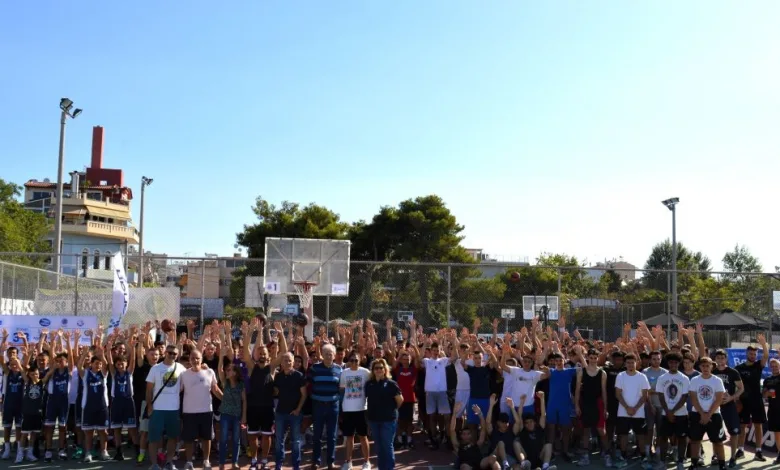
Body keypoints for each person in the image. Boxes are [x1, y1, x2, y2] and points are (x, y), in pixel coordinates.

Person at [180, 349, 223, 470]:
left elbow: (215, 389)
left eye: (197, 358)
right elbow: (178, 390)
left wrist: (226, 400)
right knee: (189, 439)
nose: (195, 360)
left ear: (201, 359)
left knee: (207, 437)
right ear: (189, 360)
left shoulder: (209, 372)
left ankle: (206, 461)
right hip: (189, 412)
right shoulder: (184, 374)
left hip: (206, 411)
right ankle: (189, 462)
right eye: (192, 358)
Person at [146, 344, 187, 470]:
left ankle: (169, 462)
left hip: (173, 409)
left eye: (175, 354)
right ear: (165, 353)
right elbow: (149, 390)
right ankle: (154, 464)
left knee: (173, 437)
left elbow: (188, 380)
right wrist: (149, 406)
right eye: (170, 353)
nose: (172, 355)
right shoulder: (155, 368)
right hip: (157, 408)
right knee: (154, 438)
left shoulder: (180, 368)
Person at [308, 343, 343, 469]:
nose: (328, 356)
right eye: (326, 354)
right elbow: (309, 384)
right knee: (316, 435)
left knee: (332, 436)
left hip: (333, 406)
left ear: (334, 355)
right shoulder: (314, 368)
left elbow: (341, 388)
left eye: (331, 354)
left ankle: (330, 461)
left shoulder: (339, 369)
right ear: (322, 355)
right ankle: (316, 461)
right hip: (318, 405)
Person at [364, 358, 403, 470]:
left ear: (385, 369)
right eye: (376, 368)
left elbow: (400, 400)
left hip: (388, 420)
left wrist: (391, 410)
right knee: (378, 447)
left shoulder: (391, 384)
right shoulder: (369, 384)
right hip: (374, 420)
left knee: (387, 446)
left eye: (381, 368)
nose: (378, 370)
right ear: (373, 370)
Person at [689, 357, 727, 470]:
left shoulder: (717, 380)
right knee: (695, 441)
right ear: (700, 367)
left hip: (714, 415)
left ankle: (722, 465)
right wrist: (702, 414)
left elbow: (719, 399)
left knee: (718, 442)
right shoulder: (695, 380)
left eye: (708, 365)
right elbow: (693, 399)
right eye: (703, 366)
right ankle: (694, 464)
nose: (705, 368)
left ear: (712, 366)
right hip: (697, 415)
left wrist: (708, 414)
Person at [574, 348, 610, 467]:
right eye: (591, 358)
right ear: (588, 357)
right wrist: (577, 405)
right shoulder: (581, 372)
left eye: (595, 358)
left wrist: (605, 408)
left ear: (598, 358)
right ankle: (585, 456)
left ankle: (606, 454)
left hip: (598, 404)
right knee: (586, 430)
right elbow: (577, 390)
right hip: (585, 404)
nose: (593, 360)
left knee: (601, 430)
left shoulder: (602, 373)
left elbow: (604, 391)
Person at [42, 331, 74, 462]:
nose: (60, 363)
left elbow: (71, 356)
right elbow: (51, 355)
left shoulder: (69, 371)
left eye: (62, 361)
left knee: (62, 427)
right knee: (49, 427)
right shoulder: (52, 371)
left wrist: (66, 340)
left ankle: (62, 450)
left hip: (63, 401)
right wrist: (52, 339)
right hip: (52, 400)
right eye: (58, 361)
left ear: (66, 362)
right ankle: (48, 450)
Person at [736, 334, 769, 461]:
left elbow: (765, 356)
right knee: (743, 426)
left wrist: (763, 344)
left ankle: (758, 451)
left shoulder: (758, 366)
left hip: (756, 400)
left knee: (758, 425)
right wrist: (737, 399)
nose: (753, 356)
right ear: (747, 354)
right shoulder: (739, 368)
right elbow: (735, 386)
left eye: (754, 354)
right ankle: (740, 449)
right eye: (751, 354)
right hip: (743, 401)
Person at [614, 353, 650, 469]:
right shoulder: (620, 376)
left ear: (636, 363)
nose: (630, 364)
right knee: (623, 435)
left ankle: (644, 457)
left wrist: (635, 408)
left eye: (632, 362)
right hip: (623, 412)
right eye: (628, 362)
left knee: (640, 436)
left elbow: (645, 396)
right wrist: (627, 408)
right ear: (625, 364)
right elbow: (618, 394)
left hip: (638, 412)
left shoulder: (642, 377)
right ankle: (623, 457)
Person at [656, 352, 690, 470]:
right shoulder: (662, 378)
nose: (673, 364)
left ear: (678, 363)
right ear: (668, 363)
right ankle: (662, 462)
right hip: (666, 414)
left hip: (681, 414)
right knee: (663, 438)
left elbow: (684, 396)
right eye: (671, 362)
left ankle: (680, 462)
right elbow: (660, 395)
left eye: (675, 362)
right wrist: (667, 411)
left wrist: (673, 411)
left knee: (681, 438)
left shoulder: (684, 378)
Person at [107, 335, 138, 461]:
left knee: (131, 428)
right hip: (116, 402)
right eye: (118, 364)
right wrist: (108, 350)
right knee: (116, 428)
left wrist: (133, 347)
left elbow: (133, 361)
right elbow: (109, 362)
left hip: (128, 402)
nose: (120, 366)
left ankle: (137, 451)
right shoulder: (114, 374)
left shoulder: (129, 373)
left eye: (122, 364)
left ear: (126, 364)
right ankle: (119, 451)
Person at [274, 352, 307, 470]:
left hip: (295, 414)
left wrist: (298, 409)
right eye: (285, 360)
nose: (287, 363)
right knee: (279, 440)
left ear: (293, 362)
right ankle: (279, 463)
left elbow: (304, 394)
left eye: (289, 360)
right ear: (281, 362)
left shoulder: (299, 376)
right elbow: (276, 392)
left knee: (296, 441)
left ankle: (296, 464)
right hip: (280, 412)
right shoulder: (278, 376)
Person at [338, 351, 371, 470]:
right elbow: (342, 390)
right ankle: (348, 462)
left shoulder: (366, 372)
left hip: (361, 409)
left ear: (360, 360)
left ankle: (367, 462)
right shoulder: (344, 373)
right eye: (351, 360)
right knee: (349, 437)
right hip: (347, 409)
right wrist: (341, 409)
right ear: (348, 361)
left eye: (356, 360)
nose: (354, 363)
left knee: (363, 437)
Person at [217, 341, 247, 470]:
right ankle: (221, 463)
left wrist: (244, 416)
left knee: (236, 439)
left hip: (236, 415)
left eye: (229, 370)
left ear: (235, 372)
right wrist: (221, 357)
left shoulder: (241, 385)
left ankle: (234, 462)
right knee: (223, 439)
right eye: (227, 369)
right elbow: (219, 369)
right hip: (225, 414)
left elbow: (244, 401)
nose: (227, 371)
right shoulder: (225, 383)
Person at [713, 349, 743, 467]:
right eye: (718, 358)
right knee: (715, 432)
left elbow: (741, 388)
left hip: (729, 406)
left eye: (722, 358)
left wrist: (732, 397)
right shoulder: (712, 371)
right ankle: (716, 455)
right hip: (715, 406)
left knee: (734, 432)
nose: (720, 360)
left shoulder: (733, 372)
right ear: (715, 359)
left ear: (726, 359)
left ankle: (733, 457)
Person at [449, 402, 499, 470]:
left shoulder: (477, 444)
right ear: (461, 436)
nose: (466, 436)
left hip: (480, 464)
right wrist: (454, 414)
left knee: (493, 457)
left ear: (471, 435)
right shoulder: (458, 446)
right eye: (464, 434)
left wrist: (480, 414)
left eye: (468, 434)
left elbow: (483, 429)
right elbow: (452, 430)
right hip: (467, 466)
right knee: (464, 467)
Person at [422, 341, 452, 449]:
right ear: (430, 351)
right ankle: (433, 439)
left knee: (446, 416)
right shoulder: (426, 361)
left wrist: (453, 341)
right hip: (430, 393)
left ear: (440, 351)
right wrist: (424, 345)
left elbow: (455, 357)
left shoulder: (443, 361)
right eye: (433, 350)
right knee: (432, 416)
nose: (435, 352)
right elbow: (418, 358)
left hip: (442, 393)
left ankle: (447, 437)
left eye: (437, 350)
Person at [518, 391, 556, 470]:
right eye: (527, 423)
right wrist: (521, 402)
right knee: (516, 443)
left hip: (539, 457)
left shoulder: (539, 428)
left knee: (548, 445)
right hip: (527, 459)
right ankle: (523, 464)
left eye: (531, 422)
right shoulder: (523, 430)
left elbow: (543, 415)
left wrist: (542, 399)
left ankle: (545, 467)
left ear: (535, 422)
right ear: (524, 424)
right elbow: (519, 417)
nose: (529, 424)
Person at [485, 395, 523, 470]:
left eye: (506, 422)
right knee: (501, 443)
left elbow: (518, 422)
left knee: (518, 468)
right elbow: (488, 422)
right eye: (502, 422)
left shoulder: (511, 431)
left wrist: (512, 407)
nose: (505, 424)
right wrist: (491, 406)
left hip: (510, 458)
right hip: (496, 458)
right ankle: (504, 464)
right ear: (498, 422)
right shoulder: (494, 432)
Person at [761, 358, 780, 464]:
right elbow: (764, 394)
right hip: (773, 410)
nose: (774, 368)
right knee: (777, 433)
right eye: (772, 366)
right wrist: (767, 394)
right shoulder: (767, 380)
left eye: (776, 365)